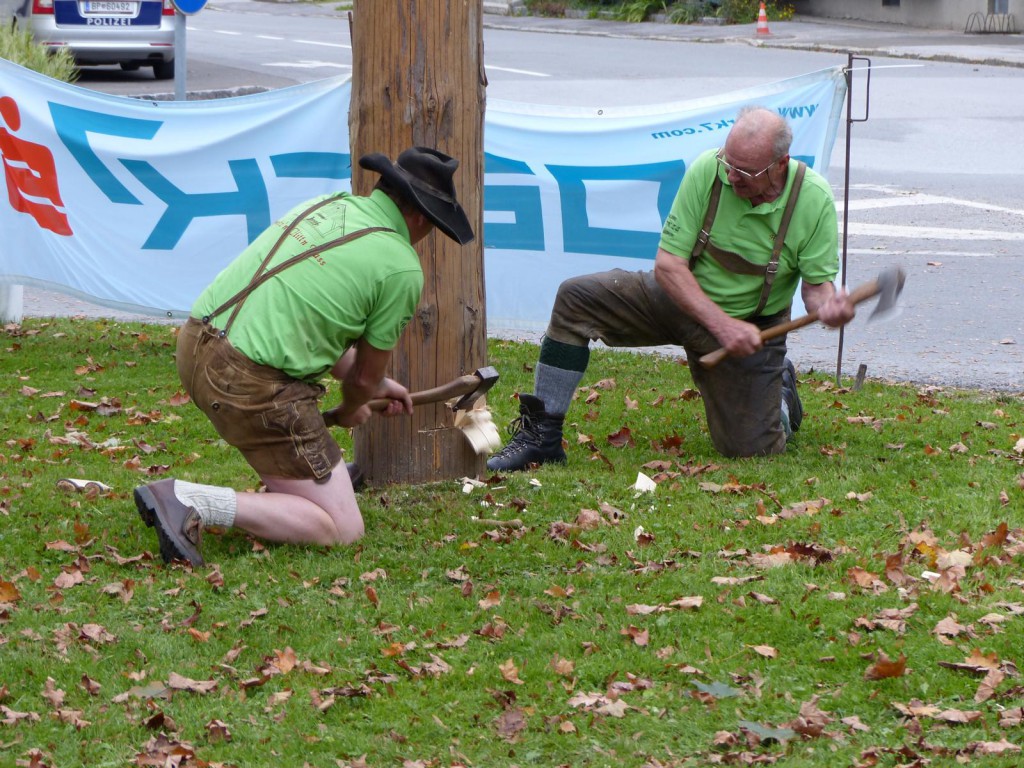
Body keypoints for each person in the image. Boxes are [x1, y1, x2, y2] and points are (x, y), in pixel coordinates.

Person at [135, 146, 473, 566]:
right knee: (342, 528)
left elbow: (308, 322)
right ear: (422, 216)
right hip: (250, 383)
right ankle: (190, 500)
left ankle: (311, 483)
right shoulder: (401, 267)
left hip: (196, 343)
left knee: (321, 487)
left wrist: (374, 384)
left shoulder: (326, 206)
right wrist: (354, 404)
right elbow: (362, 381)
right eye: (435, 226)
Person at [487, 106, 855, 471]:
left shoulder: (813, 199)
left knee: (751, 449)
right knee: (576, 298)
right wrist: (719, 324)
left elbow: (816, 290)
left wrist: (828, 308)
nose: (732, 177)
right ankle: (543, 438)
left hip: (750, 327)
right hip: (680, 299)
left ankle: (781, 394)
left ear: (780, 164)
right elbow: (668, 265)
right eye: (729, 163)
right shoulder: (708, 171)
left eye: (745, 172)